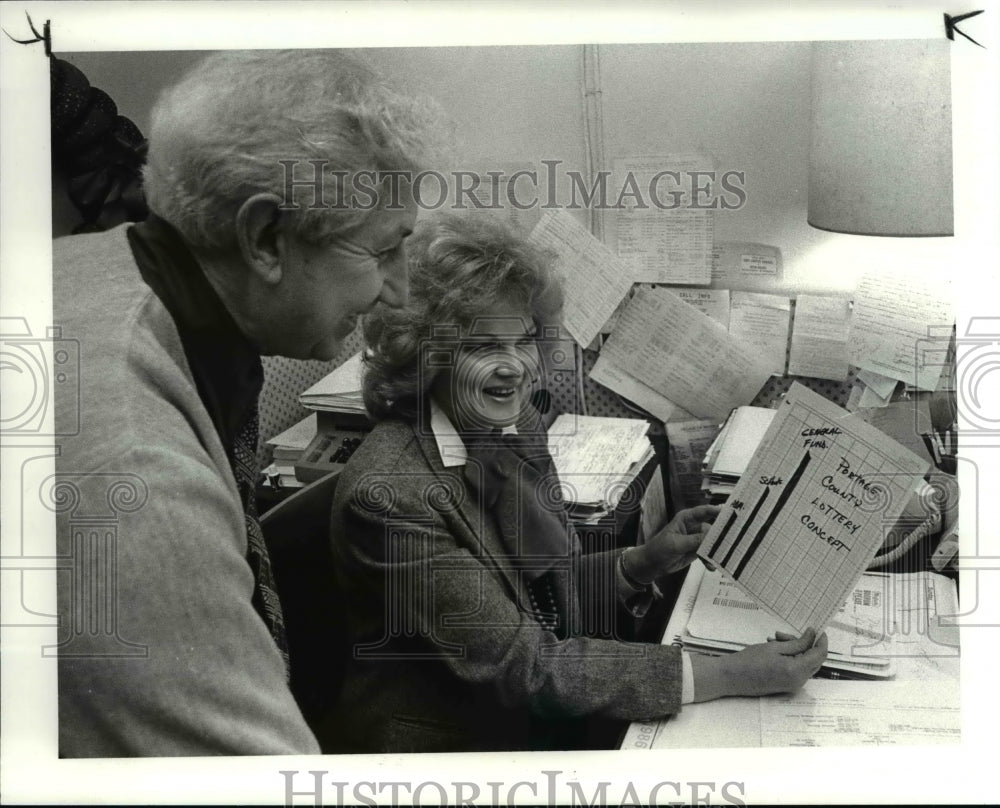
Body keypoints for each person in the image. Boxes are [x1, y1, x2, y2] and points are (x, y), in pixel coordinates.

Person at [326, 214, 828, 753]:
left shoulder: (514, 434)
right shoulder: (394, 495)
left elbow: (543, 599)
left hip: (529, 721)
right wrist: (726, 676)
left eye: (522, 341)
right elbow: (525, 667)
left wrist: (644, 561)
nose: (514, 367)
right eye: (480, 347)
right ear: (425, 356)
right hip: (449, 754)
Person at [52, 49, 435, 756]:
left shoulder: (93, 264)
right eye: (383, 252)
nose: (400, 290)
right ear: (264, 239)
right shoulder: (140, 480)